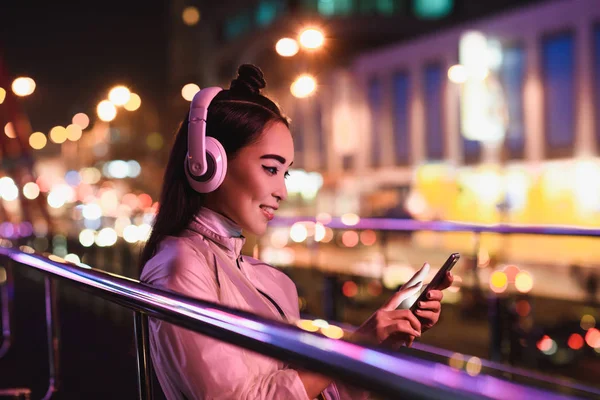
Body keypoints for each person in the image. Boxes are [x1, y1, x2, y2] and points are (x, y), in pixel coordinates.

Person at [139, 64, 453, 400]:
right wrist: (357, 343)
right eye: (270, 168)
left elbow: (315, 393)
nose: (282, 192)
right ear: (209, 164)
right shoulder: (180, 268)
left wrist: (376, 341)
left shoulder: (270, 281)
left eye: (285, 174)